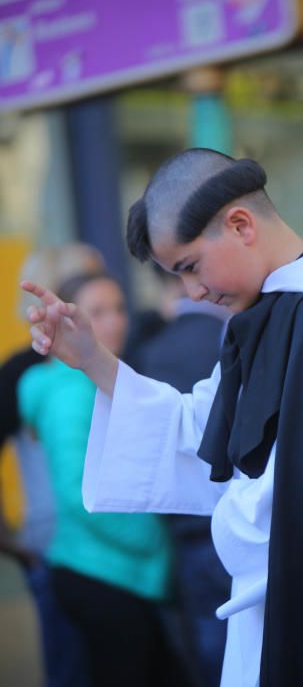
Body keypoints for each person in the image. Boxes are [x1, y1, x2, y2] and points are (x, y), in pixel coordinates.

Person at [21, 148, 303, 687]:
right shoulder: (278, 314)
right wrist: (93, 359)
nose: (193, 291)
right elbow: (207, 432)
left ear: (240, 224)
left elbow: (290, 501)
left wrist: (230, 513)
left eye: (189, 267)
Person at [18, 272, 177, 687]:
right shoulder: (72, 388)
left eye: (120, 308)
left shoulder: (98, 379)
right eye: (98, 311)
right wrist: (154, 538)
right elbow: (78, 493)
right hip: (102, 574)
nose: (116, 322)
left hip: (113, 571)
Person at [0, 242, 105, 687]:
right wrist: (15, 543)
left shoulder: (105, 358)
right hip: (57, 551)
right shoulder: (26, 371)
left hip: (122, 547)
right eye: (88, 284)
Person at [130, 265, 231, 687]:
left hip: (184, 525)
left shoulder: (148, 353)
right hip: (241, 516)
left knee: (211, 651)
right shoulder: (232, 338)